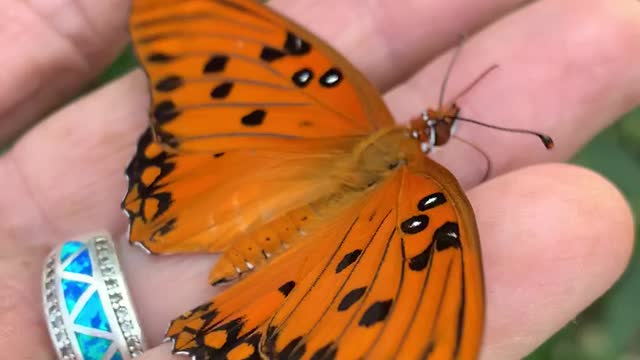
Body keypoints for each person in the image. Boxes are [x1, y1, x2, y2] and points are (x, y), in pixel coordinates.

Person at [0, 0, 638, 359]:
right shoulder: (430, 206)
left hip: (221, 187)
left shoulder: (342, 101)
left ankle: (173, 221)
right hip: (287, 256)